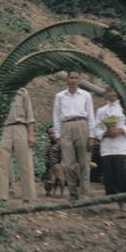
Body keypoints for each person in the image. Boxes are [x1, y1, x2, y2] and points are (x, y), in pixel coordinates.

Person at [0, 65, 36, 203]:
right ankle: (1, 197)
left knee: (25, 163)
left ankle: (28, 197)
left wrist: (31, 134)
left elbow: (30, 115)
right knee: (1, 164)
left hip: (21, 127)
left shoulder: (21, 91)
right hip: (3, 130)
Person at [52, 69, 96, 201]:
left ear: (80, 80)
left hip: (82, 125)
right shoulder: (60, 96)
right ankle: (73, 194)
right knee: (68, 163)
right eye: (71, 77)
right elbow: (56, 116)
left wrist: (92, 135)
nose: (73, 80)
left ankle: (84, 193)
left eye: (76, 78)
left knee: (84, 162)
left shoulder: (86, 95)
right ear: (67, 79)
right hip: (66, 126)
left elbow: (91, 115)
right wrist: (57, 136)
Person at [94, 87, 126, 216]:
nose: (112, 94)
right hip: (108, 148)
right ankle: (120, 208)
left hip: (124, 147)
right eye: (109, 91)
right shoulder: (101, 111)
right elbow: (96, 129)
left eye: (114, 91)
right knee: (113, 178)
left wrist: (121, 130)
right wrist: (105, 133)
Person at [43, 126, 66, 197]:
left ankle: (61, 192)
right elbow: (45, 157)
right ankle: (50, 189)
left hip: (64, 165)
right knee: (51, 179)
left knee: (61, 176)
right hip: (52, 166)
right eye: (50, 133)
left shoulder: (64, 143)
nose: (52, 135)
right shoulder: (47, 145)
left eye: (53, 133)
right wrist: (50, 164)